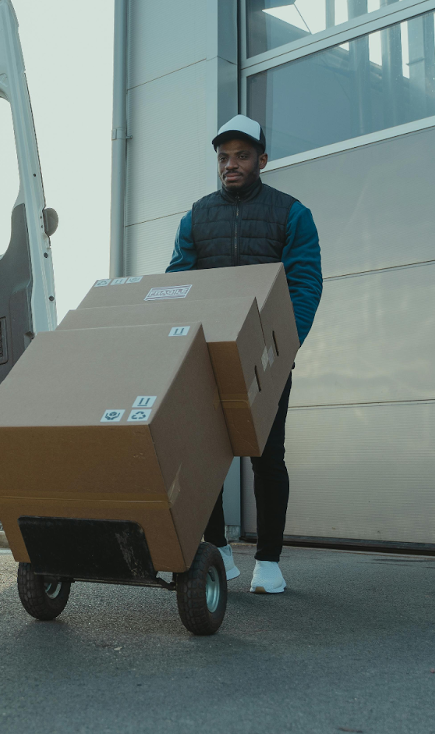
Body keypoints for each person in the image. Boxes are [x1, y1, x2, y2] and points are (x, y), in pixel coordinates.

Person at [166, 114, 322, 594]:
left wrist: (285, 347)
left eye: (242, 156)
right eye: (223, 157)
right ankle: (219, 549)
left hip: (266, 358)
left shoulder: (291, 214)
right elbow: (178, 281)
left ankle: (269, 563)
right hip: (206, 356)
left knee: (266, 457)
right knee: (204, 455)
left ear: (262, 160)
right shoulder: (196, 217)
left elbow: (305, 284)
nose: (230, 164)